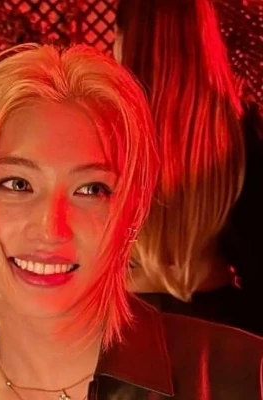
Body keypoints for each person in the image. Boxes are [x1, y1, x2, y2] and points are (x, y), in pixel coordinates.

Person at [0, 44, 263, 400]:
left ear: (135, 205)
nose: (52, 228)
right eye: (17, 184)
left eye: (91, 189)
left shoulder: (246, 376)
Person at [114, 0, 263, 333]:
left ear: (124, 37)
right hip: (219, 324)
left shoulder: (101, 126)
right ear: (205, 39)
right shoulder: (237, 132)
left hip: (121, 320)